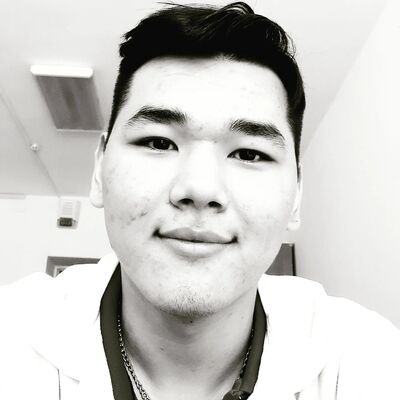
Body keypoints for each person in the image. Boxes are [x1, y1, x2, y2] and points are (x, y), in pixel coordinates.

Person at [1, 2, 399, 399]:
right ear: (99, 171)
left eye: (249, 153)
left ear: (296, 195)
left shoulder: (368, 359)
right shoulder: (13, 337)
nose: (200, 188)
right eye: (158, 142)